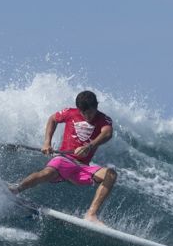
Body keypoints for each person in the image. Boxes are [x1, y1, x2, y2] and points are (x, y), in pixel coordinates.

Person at [9, 91, 117, 224]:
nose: (88, 116)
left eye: (91, 112)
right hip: (64, 160)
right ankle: (16, 189)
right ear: (79, 110)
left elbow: (107, 133)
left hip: (82, 168)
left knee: (110, 175)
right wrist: (47, 142)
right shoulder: (70, 113)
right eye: (85, 113)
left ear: (97, 107)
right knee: (47, 173)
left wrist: (89, 146)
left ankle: (91, 215)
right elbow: (53, 119)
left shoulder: (104, 119)